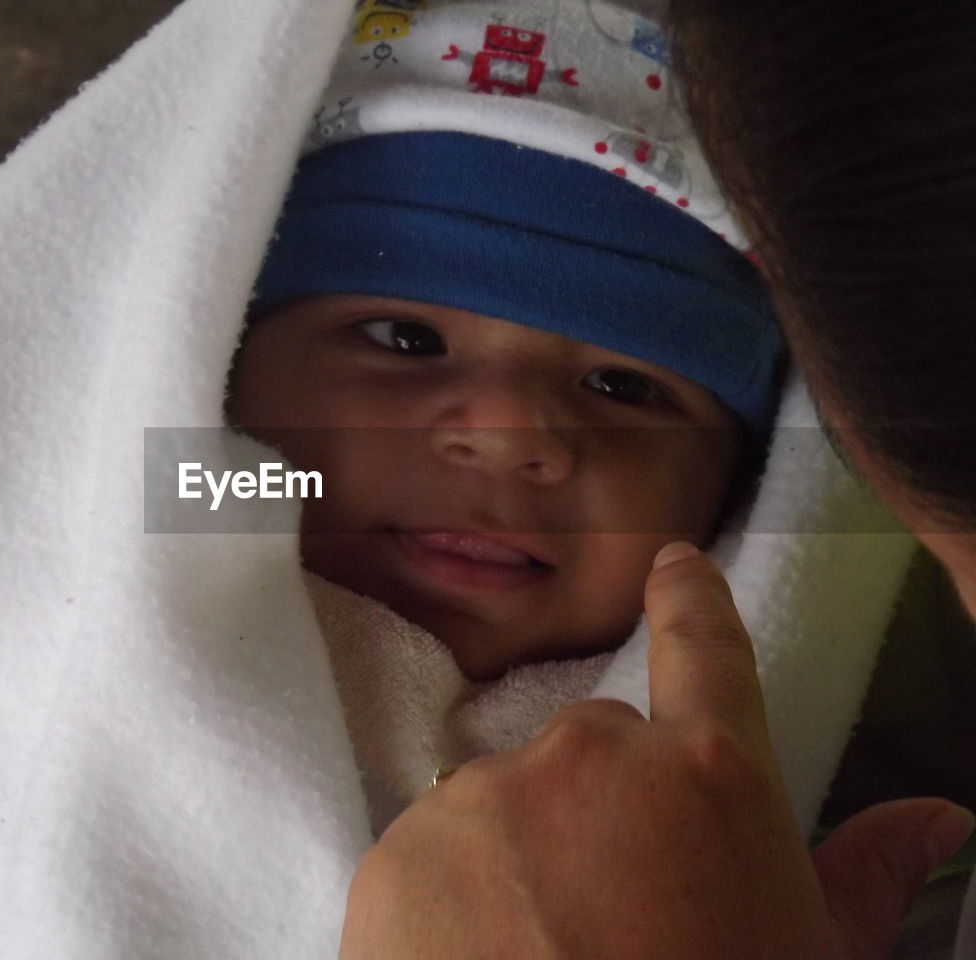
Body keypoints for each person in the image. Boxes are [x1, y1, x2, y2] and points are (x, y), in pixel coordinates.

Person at [338, 1, 976, 957]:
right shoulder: (165, 559)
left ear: (742, 501)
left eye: (623, 386)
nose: (512, 436)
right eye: (405, 340)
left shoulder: (831, 797)